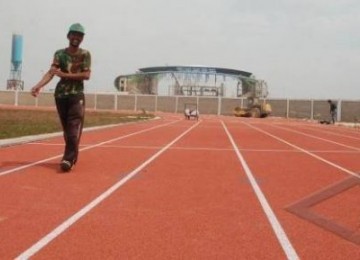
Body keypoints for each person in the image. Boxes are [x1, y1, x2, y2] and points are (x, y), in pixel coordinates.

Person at [31, 23, 91, 172]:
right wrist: (38, 85)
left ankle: (67, 159)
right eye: (74, 34)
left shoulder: (85, 54)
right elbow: (52, 72)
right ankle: (72, 154)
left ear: (82, 38)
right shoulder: (59, 54)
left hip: (76, 95)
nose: (76, 37)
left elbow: (86, 75)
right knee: (66, 129)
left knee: (73, 128)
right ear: (68, 36)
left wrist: (66, 75)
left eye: (79, 35)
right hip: (60, 95)